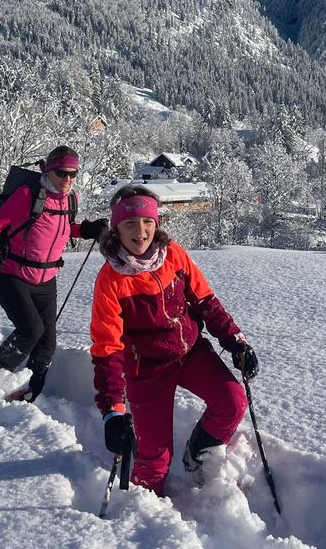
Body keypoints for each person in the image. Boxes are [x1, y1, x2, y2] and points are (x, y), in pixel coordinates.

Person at [89, 184, 259, 495]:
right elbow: (107, 348)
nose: (141, 231)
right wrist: (113, 410)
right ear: (116, 228)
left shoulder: (173, 255)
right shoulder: (111, 279)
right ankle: (143, 509)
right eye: (130, 223)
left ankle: (199, 451)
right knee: (154, 464)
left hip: (190, 352)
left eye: (148, 222)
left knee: (232, 402)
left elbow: (205, 301)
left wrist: (235, 341)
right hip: (147, 370)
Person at [0, 145, 108, 400]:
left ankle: (30, 392)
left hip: (47, 280)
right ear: (48, 171)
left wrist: (86, 230)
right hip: (12, 275)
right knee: (31, 330)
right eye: (61, 173)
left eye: (73, 174)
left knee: (47, 344)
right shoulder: (28, 195)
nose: (67, 179)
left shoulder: (71, 199)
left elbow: (63, 227)